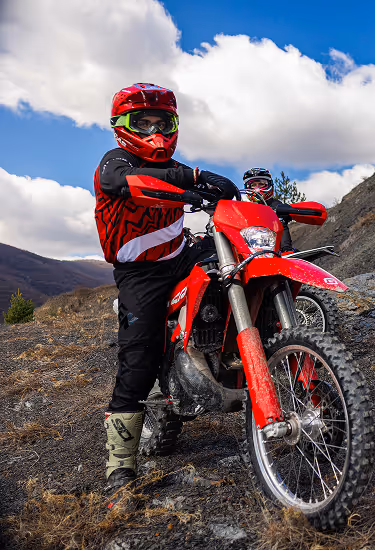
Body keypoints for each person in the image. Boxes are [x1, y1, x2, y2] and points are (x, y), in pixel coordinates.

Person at [94, 83, 238, 491]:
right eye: (143, 122)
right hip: (140, 274)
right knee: (138, 361)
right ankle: (119, 468)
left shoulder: (171, 165)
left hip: (181, 256)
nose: (155, 131)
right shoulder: (115, 162)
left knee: (240, 260)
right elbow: (122, 179)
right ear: (124, 126)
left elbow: (199, 189)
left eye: (162, 122)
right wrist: (192, 177)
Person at [242, 168, 296, 253]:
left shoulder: (276, 204)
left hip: (275, 248)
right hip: (251, 250)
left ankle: (286, 250)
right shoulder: (245, 208)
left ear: (270, 185)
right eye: (253, 185)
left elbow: (288, 217)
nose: (257, 189)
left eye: (261, 184)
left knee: (280, 221)